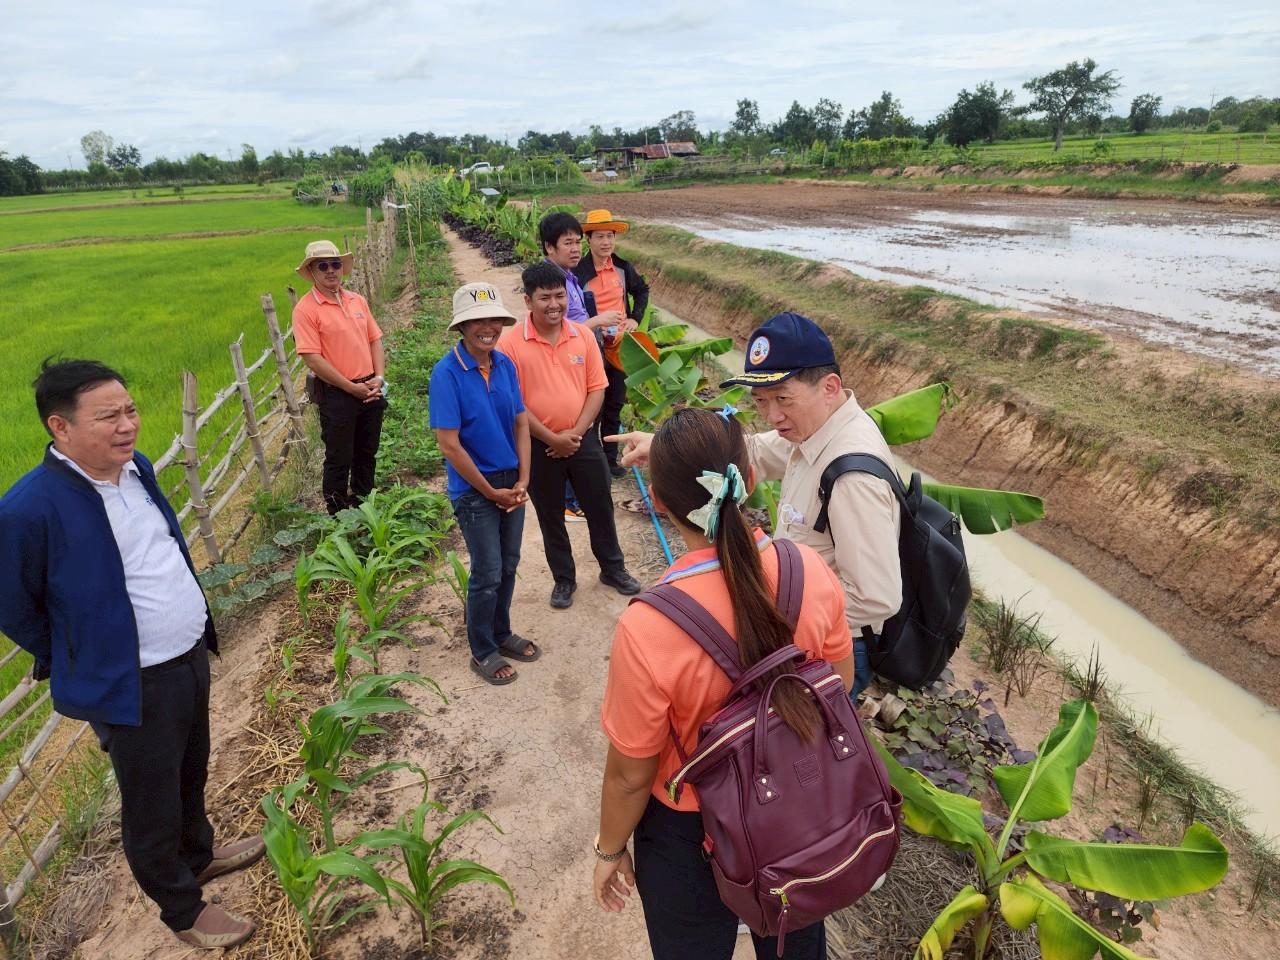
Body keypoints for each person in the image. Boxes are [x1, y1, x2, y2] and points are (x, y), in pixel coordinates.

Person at [0, 359, 264, 950]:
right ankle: (182, 909)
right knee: (151, 804)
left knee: (190, 774)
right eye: (107, 416)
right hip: (130, 684)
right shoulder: (28, 510)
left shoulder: (136, 469)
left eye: (131, 410)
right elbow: (14, 607)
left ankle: (198, 857)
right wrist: (78, 655)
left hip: (187, 656)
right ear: (60, 428)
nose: (127, 426)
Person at [593, 408, 853, 959]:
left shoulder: (649, 625)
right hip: (796, 809)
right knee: (794, 936)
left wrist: (609, 849)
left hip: (691, 834)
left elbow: (630, 775)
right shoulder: (809, 569)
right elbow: (838, 688)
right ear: (750, 480)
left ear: (657, 502)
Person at [610, 312, 901, 697]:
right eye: (761, 401)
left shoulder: (852, 477)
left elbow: (876, 596)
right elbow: (756, 452)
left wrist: (777, 619)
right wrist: (666, 449)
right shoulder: (814, 427)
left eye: (783, 399)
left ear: (829, 387)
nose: (772, 416)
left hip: (824, 645)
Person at [497, 262, 642, 609]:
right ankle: (564, 579)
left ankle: (613, 568)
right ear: (528, 301)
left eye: (560, 296)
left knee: (599, 506)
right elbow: (513, 402)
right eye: (544, 297)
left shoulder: (582, 336)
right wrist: (551, 438)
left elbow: (597, 390)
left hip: (582, 439)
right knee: (550, 514)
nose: (554, 304)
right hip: (536, 444)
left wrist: (575, 434)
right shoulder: (510, 344)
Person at [429, 283, 538, 685]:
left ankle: (502, 631)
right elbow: (450, 445)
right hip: (475, 489)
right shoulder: (446, 374)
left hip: (512, 481)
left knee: (509, 563)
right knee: (488, 569)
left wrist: (524, 478)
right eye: (477, 321)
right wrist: (490, 491)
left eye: (493, 319)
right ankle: (482, 649)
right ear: (462, 327)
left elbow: (521, 422)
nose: (487, 327)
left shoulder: (505, 365)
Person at [292, 239, 387, 515]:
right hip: (337, 393)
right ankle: (338, 515)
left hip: (370, 386)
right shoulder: (306, 310)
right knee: (338, 457)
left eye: (335, 264)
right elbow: (313, 358)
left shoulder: (357, 300)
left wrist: (379, 378)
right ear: (312, 271)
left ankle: (363, 504)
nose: (331, 270)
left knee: (367, 452)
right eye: (323, 266)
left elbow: (375, 340)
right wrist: (349, 387)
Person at [573, 209, 650, 478]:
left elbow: (642, 291)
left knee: (615, 402)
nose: (606, 242)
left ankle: (609, 459)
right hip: (590, 347)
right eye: (600, 237)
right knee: (591, 404)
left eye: (610, 236)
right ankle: (591, 458)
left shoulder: (622, 268)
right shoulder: (578, 273)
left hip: (618, 347)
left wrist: (634, 319)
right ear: (589, 240)